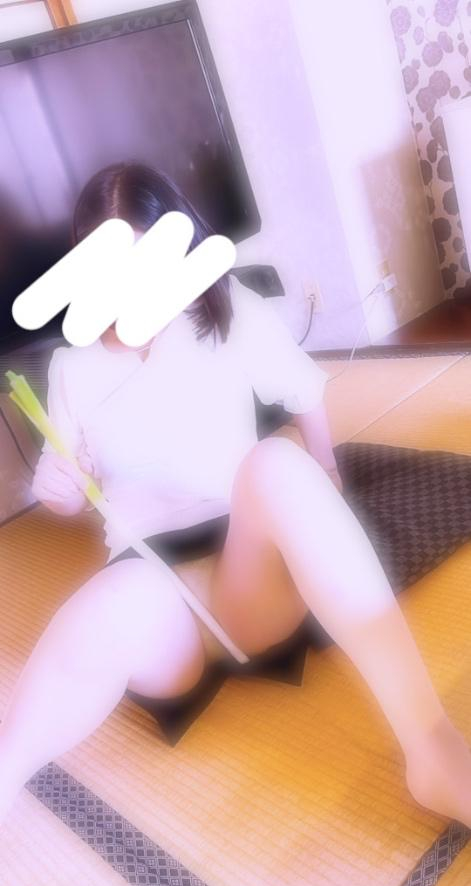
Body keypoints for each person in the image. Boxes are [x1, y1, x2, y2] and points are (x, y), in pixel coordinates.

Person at [1, 161, 470, 830]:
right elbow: (66, 483)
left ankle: (431, 750)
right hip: (154, 592)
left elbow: (303, 391)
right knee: (104, 603)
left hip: (246, 568)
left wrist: (323, 482)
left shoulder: (223, 311)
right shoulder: (73, 365)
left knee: (276, 464)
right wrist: (55, 487)